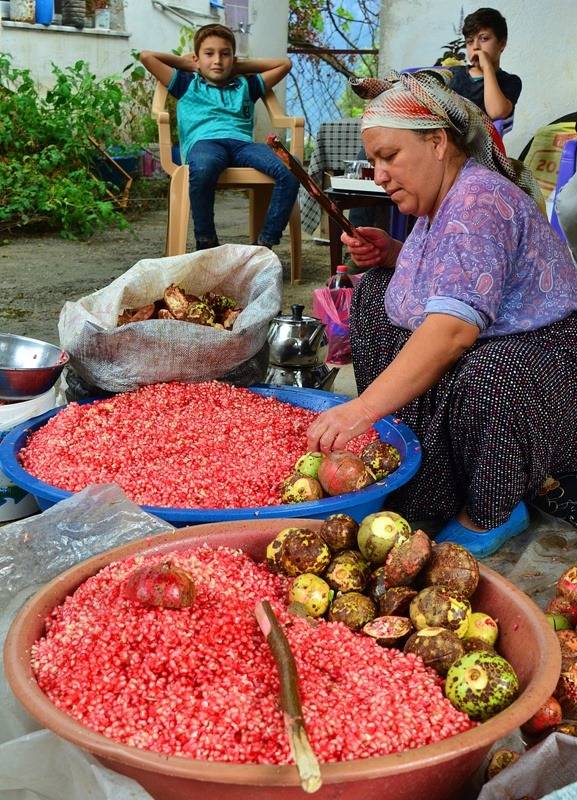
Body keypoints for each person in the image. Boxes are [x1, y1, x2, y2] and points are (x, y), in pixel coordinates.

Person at [307, 69, 577, 558]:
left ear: (437, 143)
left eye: (389, 157)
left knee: (492, 371)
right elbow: (453, 272)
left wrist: (361, 409)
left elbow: (452, 330)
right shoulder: (443, 203)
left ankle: (492, 508)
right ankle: (423, 472)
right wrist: (392, 253)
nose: (380, 174)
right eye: (374, 161)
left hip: (544, 366)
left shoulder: (480, 200)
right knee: (375, 296)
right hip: (487, 345)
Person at [140, 24, 299, 250]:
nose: (217, 60)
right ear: (197, 58)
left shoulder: (246, 85)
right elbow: (147, 57)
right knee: (203, 169)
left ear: (233, 59)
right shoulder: (186, 84)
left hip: (243, 146)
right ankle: (207, 245)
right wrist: (187, 63)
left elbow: (285, 64)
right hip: (205, 145)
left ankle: (263, 246)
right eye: (209, 54)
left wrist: (239, 66)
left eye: (225, 54)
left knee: (289, 170)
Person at [449, 7, 521, 121]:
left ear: (502, 43)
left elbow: (497, 113)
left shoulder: (510, 81)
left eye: (484, 38)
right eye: (469, 41)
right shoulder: (453, 73)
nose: (475, 47)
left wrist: (487, 67)